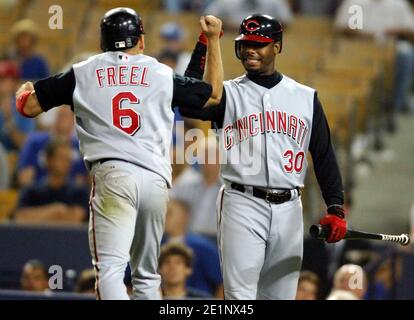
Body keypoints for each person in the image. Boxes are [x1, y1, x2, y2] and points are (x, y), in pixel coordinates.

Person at [15, 7, 223, 300]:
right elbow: (212, 94)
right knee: (147, 275)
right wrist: (212, 41)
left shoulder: (83, 71)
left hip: (114, 178)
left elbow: (28, 107)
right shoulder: (160, 72)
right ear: (139, 39)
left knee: (111, 271)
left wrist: (22, 92)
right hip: (155, 182)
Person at [181, 14, 347, 300]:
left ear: (277, 46)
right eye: (246, 44)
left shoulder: (305, 97)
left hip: (290, 208)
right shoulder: (226, 94)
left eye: (259, 44)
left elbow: (322, 154)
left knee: (280, 296)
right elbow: (188, 101)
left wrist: (335, 206)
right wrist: (206, 42)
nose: (250, 50)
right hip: (242, 202)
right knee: (240, 298)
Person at [14, 140, 89, 224]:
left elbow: (77, 218)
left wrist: (38, 215)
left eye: (68, 158)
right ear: (48, 160)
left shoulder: (79, 192)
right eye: (61, 157)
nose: (66, 162)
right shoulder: (31, 191)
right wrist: (56, 211)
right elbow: (20, 217)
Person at [162, 199, 223, 297]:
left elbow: (222, 283)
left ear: (184, 217)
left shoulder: (202, 247)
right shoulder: (155, 245)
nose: (163, 217)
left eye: (169, 213)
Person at [17, 106, 88, 187]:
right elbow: (25, 177)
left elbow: (85, 180)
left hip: (71, 195)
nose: (63, 120)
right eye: (61, 115)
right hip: (40, 193)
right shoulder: (35, 142)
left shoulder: (82, 148)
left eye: (69, 116)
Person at [170, 135, 222, 240]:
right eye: (204, 155)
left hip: (216, 241)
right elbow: (168, 205)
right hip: (188, 238)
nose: (207, 160)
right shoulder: (186, 183)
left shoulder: (228, 189)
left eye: (211, 155)